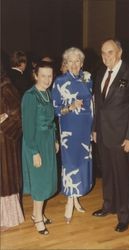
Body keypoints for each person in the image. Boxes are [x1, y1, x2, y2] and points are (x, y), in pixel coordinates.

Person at [92, 38, 129, 232]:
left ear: (119, 52)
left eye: (110, 52)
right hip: (103, 135)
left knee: (123, 177)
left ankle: (124, 215)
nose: (106, 57)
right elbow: (99, 105)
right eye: (103, 53)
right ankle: (109, 205)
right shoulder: (100, 73)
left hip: (123, 136)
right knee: (108, 173)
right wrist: (95, 129)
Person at [52, 47, 93, 224]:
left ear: (82, 63)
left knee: (82, 162)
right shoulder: (60, 81)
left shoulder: (88, 78)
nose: (75, 64)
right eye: (71, 61)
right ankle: (70, 201)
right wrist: (70, 106)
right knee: (70, 164)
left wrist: (94, 128)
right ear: (66, 64)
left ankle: (76, 198)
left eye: (78, 61)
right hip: (69, 128)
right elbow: (55, 108)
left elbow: (93, 104)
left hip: (85, 128)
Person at [21, 61, 59, 235]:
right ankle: (37, 218)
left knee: (46, 180)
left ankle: (39, 213)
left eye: (50, 75)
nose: (47, 79)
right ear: (35, 75)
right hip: (35, 143)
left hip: (48, 141)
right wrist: (34, 152)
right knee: (39, 182)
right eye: (43, 75)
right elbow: (27, 128)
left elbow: (52, 119)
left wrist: (55, 139)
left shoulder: (48, 93)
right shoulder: (30, 96)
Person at [0, 63, 24, 231]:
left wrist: (4, 122)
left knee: (4, 180)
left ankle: (7, 219)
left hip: (3, 144)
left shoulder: (5, 86)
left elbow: (18, 115)